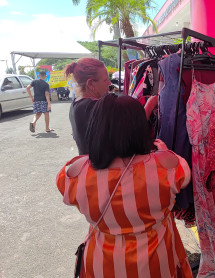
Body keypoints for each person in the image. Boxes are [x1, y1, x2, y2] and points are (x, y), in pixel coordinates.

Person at [56, 94, 193, 277]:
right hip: (156, 262)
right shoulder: (167, 165)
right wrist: (162, 151)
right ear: (140, 127)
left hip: (101, 263)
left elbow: (65, 189)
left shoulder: (76, 171)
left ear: (95, 127)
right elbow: (184, 177)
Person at [64, 58, 111, 155]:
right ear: (90, 84)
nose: (109, 83)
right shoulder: (96, 106)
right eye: (105, 80)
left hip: (87, 165)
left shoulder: (76, 103)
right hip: (101, 168)